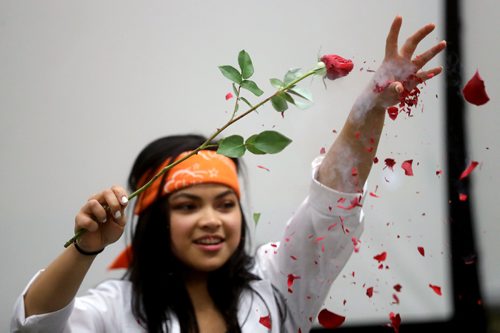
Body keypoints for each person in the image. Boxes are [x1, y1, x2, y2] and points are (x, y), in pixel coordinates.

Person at [11, 16, 446, 333]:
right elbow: (31, 328)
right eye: (186, 205)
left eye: (225, 203)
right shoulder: (113, 311)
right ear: (152, 218)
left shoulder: (277, 284)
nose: (211, 219)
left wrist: (369, 107)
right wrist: (84, 248)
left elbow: (331, 206)